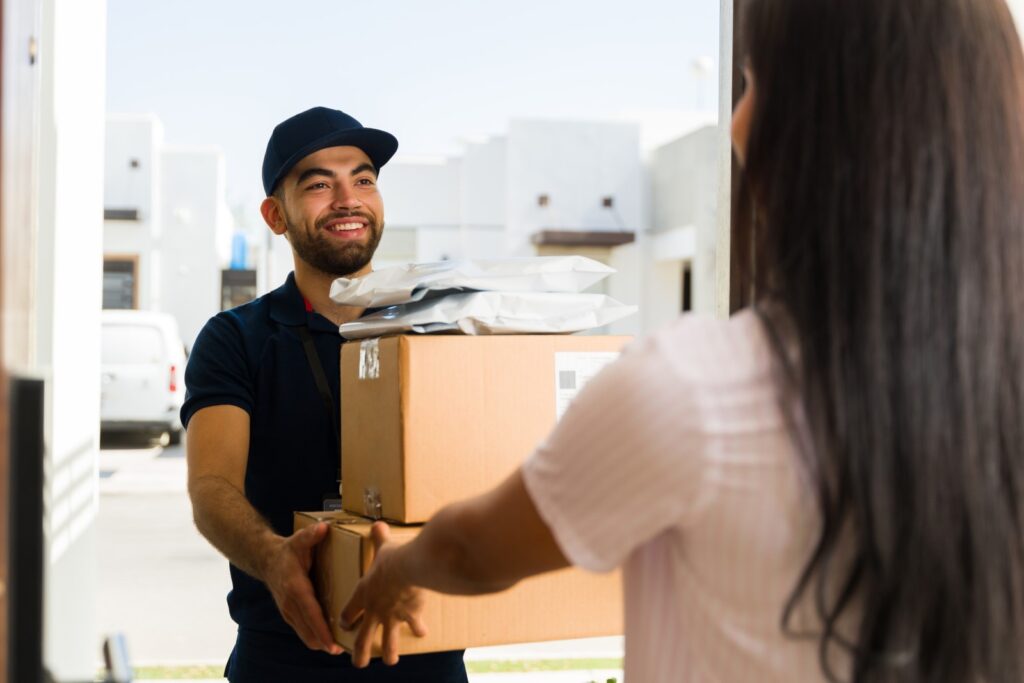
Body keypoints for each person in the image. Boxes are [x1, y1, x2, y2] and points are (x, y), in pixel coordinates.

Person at [340, 1, 1024, 681]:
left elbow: (473, 550)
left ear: (813, 129)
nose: (737, 119)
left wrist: (396, 565)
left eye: (755, 82)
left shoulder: (697, 389)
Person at [182, 107, 468, 682]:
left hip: (426, 654)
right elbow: (211, 487)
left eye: (363, 179)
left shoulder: (438, 328)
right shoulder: (237, 338)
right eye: (319, 184)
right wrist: (271, 556)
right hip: (284, 659)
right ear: (274, 215)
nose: (348, 199)